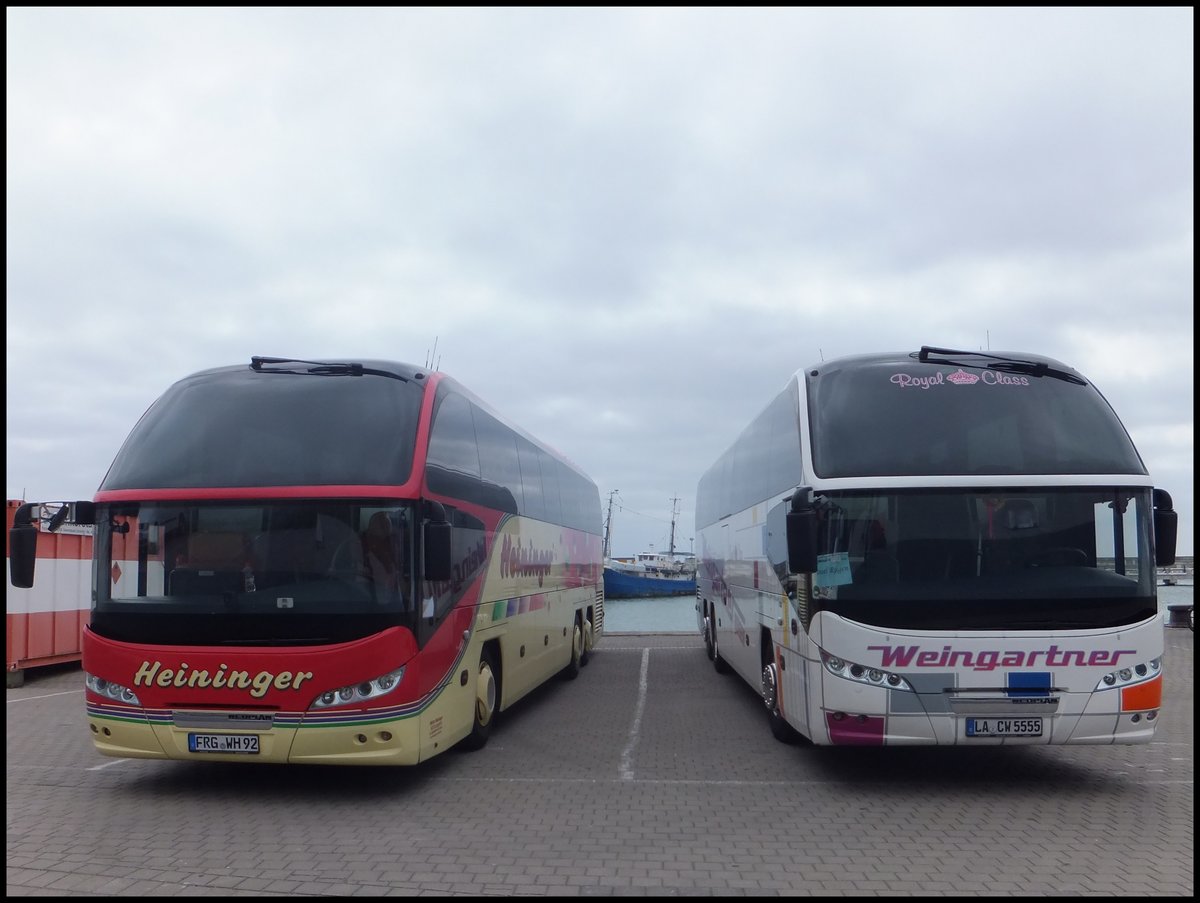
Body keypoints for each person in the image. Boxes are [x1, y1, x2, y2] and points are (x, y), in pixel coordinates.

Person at [363, 512, 404, 607]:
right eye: (381, 524)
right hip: (364, 590)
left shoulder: (394, 543)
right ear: (371, 527)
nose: (384, 526)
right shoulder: (357, 544)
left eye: (386, 523)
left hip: (392, 590)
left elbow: (398, 567)